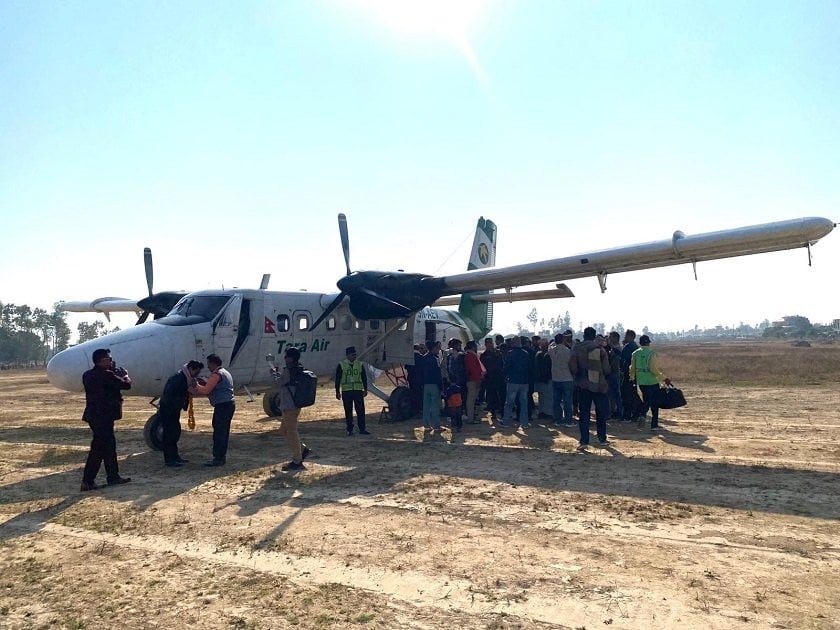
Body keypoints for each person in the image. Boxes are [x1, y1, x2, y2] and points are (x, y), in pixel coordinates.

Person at [80, 348, 132, 491]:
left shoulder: (87, 375)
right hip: (104, 416)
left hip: (93, 415)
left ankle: (112, 477)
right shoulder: (107, 375)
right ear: (102, 361)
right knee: (99, 449)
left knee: (108, 447)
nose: (111, 361)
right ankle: (88, 481)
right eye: (109, 359)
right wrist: (125, 375)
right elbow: (127, 385)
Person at [569, 327, 611, 449]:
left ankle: (584, 441)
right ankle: (602, 439)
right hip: (599, 386)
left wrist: (577, 378)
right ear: (594, 336)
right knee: (600, 413)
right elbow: (606, 369)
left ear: (584, 336)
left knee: (584, 414)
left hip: (583, 386)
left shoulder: (577, 349)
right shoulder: (599, 349)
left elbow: (572, 366)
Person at [191, 354, 235, 467]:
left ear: (212, 363)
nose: (208, 367)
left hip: (222, 406)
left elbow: (206, 390)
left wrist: (196, 385)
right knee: (223, 431)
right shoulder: (225, 372)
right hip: (228, 404)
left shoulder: (216, 375)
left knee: (219, 432)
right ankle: (220, 457)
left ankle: (218, 458)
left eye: (208, 364)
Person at [272, 347, 312, 471]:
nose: (285, 358)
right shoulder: (299, 368)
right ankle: (302, 450)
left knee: (291, 432)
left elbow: (279, 383)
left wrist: (274, 375)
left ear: (291, 358)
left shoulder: (289, 370)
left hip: (289, 405)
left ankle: (297, 460)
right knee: (283, 430)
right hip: (295, 404)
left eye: (286, 356)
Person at [159, 360, 204, 467]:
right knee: (170, 434)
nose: (197, 375)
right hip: (169, 410)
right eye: (196, 372)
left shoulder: (184, 377)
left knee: (175, 433)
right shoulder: (179, 378)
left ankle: (175, 456)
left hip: (173, 409)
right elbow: (170, 395)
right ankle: (170, 460)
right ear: (191, 369)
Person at [630, 335, 671, 432]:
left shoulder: (635, 353)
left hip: (641, 381)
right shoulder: (652, 353)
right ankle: (654, 424)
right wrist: (664, 378)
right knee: (655, 403)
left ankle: (642, 414)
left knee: (646, 400)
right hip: (652, 381)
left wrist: (632, 378)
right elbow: (653, 369)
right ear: (648, 343)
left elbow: (632, 368)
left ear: (640, 343)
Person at [335, 346, 369, 435]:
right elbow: (337, 379)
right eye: (352, 355)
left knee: (361, 411)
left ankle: (362, 429)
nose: (354, 356)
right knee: (348, 411)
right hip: (347, 391)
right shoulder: (341, 365)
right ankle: (350, 429)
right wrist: (337, 391)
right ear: (348, 355)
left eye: (355, 355)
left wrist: (365, 389)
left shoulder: (359, 364)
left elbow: (364, 377)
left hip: (358, 390)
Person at [501, 336, 531, 428]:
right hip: (524, 381)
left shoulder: (510, 354)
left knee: (509, 402)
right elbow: (528, 367)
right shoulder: (526, 353)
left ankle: (506, 422)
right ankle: (525, 423)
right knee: (524, 403)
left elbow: (506, 367)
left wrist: (504, 376)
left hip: (513, 381)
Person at [548, 331, 575, 427]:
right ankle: (568, 421)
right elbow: (571, 362)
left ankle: (557, 420)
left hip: (556, 378)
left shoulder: (551, 350)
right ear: (563, 340)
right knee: (567, 401)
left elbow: (551, 344)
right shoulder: (567, 351)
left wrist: (558, 340)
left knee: (556, 401)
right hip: (567, 378)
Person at [417, 340, 444, 432]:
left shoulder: (423, 358)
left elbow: (420, 372)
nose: (438, 350)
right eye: (437, 348)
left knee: (426, 405)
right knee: (435, 405)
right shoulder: (435, 359)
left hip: (425, 384)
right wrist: (441, 386)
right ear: (433, 348)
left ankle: (426, 424)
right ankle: (436, 424)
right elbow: (438, 373)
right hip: (434, 384)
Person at [480, 337, 505, 420]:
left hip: (499, 378)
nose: (490, 344)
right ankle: (493, 412)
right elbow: (482, 368)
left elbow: (502, 364)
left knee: (501, 396)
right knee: (491, 397)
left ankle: (502, 412)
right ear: (485, 344)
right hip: (489, 379)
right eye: (488, 343)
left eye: (491, 343)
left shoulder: (498, 353)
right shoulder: (484, 355)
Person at [620, 329, 640, 421]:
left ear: (631, 336)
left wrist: (622, 369)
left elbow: (624, 360)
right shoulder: (635, 347)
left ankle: (628, 415)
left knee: (627, 394)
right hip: (634, 373)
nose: (625, 337)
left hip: (628, 373)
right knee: (632, 393)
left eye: (626, 336)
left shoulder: (629, 347)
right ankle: (636, 412)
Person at [463, 340, 485, 424]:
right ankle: (470, 418)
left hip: (472, 379)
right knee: (471, 400)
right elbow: (473, 369)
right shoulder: (470, 356)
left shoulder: (468, 355)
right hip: (473, 380)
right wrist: (478, 379)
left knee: (471, 400)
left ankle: (471, 416)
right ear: (472, 347)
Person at [606, 331, 624, 420]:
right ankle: (613, 411)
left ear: (615, 338)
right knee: (611, 394)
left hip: (615, 373)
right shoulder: (614, 349)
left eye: (610, 337)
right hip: (613, 373)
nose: (609, 339)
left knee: (616, 394)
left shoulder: (617, 349)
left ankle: (620, 413)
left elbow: (614, 362)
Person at [534, 339, 553, 419]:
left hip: (539, 379)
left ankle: (541, 412)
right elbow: (546, 368)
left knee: (541, 397)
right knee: (548, 398)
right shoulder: (547, 355)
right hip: (546, 379)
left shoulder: (537, 354)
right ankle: (548, 413)